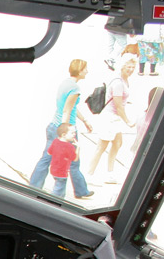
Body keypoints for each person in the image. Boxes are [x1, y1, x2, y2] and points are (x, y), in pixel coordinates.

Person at [27, 59, 94, 199]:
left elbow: (71, 107)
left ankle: (34, 186)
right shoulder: (75, 89)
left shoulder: (65, 83)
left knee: (46, 158)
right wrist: (65, 133)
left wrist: (85, 120)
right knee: (74, 161)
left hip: (53, 126)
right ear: (80, 71)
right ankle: (81, 191)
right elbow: (67, 111)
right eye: (85, 69)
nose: (87, 71)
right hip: (65, 129)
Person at [88, 58, 136, 185]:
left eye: (132, 67)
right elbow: (118, 105)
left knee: (117, 143)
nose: (131, 70)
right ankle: (89, 174)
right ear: (122, 67)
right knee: (101, 147)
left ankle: (109, 173)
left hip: (115, 119)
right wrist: (128, 121)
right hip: (110, 118)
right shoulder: (118, 83)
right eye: (128, 67)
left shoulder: (124, 80)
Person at [48, 124, 78, 199]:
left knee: (61, 190)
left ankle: (60, 201)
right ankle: (51, 202)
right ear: (64, 134)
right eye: (72, 133)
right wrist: (78, 148)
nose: (74, 135)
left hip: (54, 170)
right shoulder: (70, 147)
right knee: (57, 191)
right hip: (62, 173)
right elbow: (75, 159)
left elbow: (49, 152)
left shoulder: (55, 141)